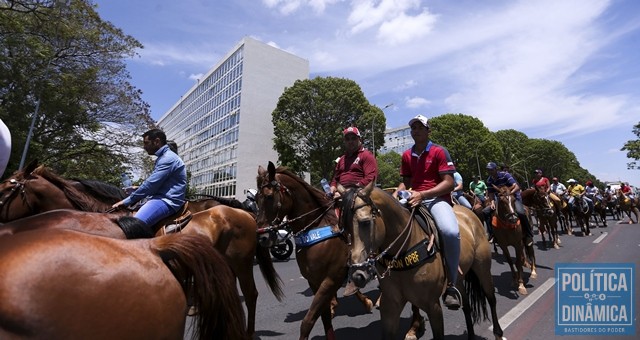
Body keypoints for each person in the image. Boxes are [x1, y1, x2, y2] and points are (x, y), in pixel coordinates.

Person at [395, 114, 461, 310]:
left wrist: (422, 195)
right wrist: (397, 193)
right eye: (413, 128)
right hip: (412, 197)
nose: (415, 131)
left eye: (419, 127)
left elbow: (449, 183)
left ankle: (451, 284)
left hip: (436, 199)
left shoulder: (440, 151)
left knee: (450, 232)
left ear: (427, 131)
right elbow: (406, 182)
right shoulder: (406, 155)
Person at [112, 129, 187, 228]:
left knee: (133, 227)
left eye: (146, 143)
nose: (144, 147)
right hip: (159, 198)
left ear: (156, 141)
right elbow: (159, 183)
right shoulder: (163, 157)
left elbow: (151, 185)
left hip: (166, 201)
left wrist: (126, 201)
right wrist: (139, 188)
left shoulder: (167, 158)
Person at [483, 161, 535, 247]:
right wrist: (492, 202)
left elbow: (516, 186)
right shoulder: (489, 180)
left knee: (521, 212)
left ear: (496, 169)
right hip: (501, 200)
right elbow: (491, 193)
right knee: (485, 211)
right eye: (488, 170)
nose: (490, 172)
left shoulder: (505, 175)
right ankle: (492, 234)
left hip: (513, 198)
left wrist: (509, 193)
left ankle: (529, 234)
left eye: (491, 170)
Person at [329, 126, 378, 198]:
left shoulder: (366, 155)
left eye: (353, 138)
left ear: (359, 139)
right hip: (340, 194)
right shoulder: (341, 159)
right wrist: (332, 187)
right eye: (347, 139)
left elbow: (371, 178)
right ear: (344, 141)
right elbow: (335, 179)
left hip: (360, 195)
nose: (350, 141)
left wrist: (347, 192)